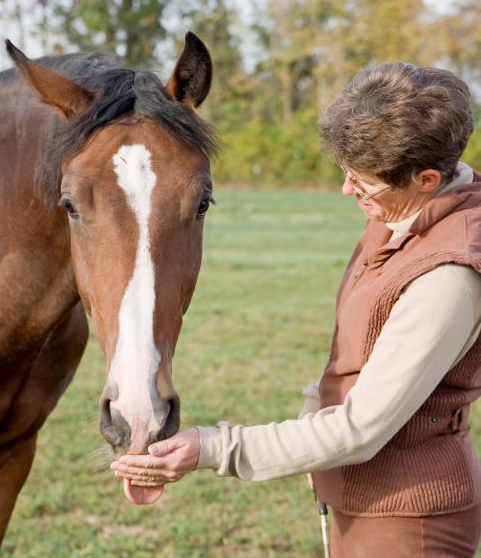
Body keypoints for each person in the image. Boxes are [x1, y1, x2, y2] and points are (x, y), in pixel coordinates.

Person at [111, 61, 481, 557]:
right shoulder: (399, 219)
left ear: (427, 179)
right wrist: (314, 442)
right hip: (361, 498)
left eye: (362, 183)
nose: (347, 190)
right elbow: (353, 360)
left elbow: (361, 428)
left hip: (406, 520)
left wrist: (213, 448)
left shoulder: (448, 276)